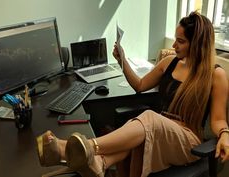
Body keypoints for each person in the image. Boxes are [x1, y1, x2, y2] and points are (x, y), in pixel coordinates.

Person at [36, 11, 229, 177]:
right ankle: (101, 163)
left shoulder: (216, 75)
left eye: (181, 41)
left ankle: (78, 147)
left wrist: (225, 134)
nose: (174, 46)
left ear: (197, 44)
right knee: (140, 129)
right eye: (175, 40)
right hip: (162, 131)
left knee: (149, 119)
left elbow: (218, 120)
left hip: (188, 142)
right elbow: (140, 85)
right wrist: (123, 61)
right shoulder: (169, 62)